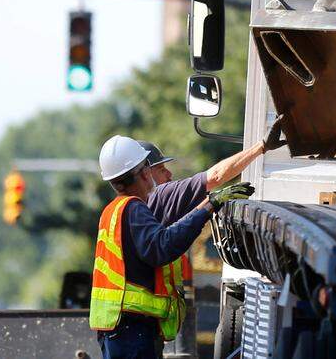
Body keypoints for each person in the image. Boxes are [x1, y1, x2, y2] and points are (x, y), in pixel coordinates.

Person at [90, 135, 253, 358]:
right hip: (132, 328)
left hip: (119, 327)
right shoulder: (134, 209)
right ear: (145, 172)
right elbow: (162, 247)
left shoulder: (113, 210)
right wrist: (208, 207)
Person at [139, 116, 286, 224]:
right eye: (161, 169)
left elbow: (186, 221)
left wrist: (214, 200)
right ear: (146, 174)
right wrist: (262, 146)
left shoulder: (131, 208)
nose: (169, 174)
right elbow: (215, 176)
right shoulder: (161, 194)